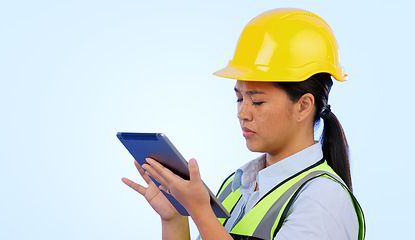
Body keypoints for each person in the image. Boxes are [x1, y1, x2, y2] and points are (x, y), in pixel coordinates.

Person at [121, 8, 365, 240]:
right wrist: (175, 217)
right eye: (239, 98)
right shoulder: (236, 186)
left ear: (303, 106)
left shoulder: (324, 200)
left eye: (257, 101)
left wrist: (200, 212)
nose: (242, 113)